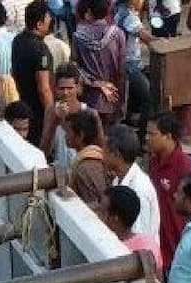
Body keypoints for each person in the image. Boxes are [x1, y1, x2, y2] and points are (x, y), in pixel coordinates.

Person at [147, 112, 191, 269]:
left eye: (152, 134)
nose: (147, 138)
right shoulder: (153, 161)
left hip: (177, 248)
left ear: (168, 136)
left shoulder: (185, 166)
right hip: (157, 244)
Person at [72, 0, 126, 127]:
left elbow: (75, 67)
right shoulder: (118, 34)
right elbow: (121, 70)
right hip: (113, 95)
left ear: (88, 12)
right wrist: (120, 98)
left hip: (89, 97)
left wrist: (96, 83)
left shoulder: (78, 36)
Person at [102, 124, 160, 242]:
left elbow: (138, 237)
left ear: (116, 154)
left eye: (105, 151)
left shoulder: (138, 188)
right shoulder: (118, 179)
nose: (102, 155)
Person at [12, 0, 55, 144]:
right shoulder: (41, 50)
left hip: (24, 104)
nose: (50, 23)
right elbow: (44, 89)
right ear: (39, 24)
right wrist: (51, 116)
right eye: (48, 20)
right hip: (39, 114)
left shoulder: (17, 41)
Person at [113, 0, 155, 138]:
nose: (143, 2)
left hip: (125, 63)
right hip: (130, 65)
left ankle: (129, 125)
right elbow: (146, 37)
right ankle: (142, 136)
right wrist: (162, 42)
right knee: (148, 99)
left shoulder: (119, 11)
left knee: (132, 99)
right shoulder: (129, 16)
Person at [39, 64, 89, 171]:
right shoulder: (51, 111)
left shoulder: (86, 111)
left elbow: (91, 149)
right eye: (61, 88)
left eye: (70, 88)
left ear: (77, 87)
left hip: (81, 170)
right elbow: (43, 151)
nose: (65, 93)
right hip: (58, 172)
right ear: (55, 88)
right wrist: (55, 120)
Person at [102, 185, 163, 272]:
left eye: (102, 211)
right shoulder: (149, 243)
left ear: (115, 218)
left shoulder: (109, 249)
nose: (98, 215)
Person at [64, 109, 108, 210]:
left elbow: (94, 207)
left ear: (80, 135)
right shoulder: (88, 159)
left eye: (68, 132)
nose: (65, 135)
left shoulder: (86, 167)